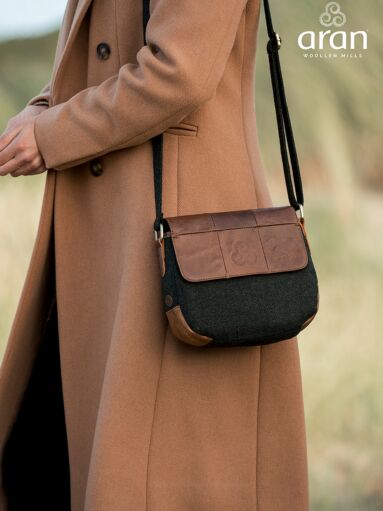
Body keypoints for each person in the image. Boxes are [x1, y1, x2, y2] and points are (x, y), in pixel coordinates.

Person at [0, 0, 310, 509]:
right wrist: (43, 109)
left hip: (184, 235)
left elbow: (179, 72)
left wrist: (54, 132)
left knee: (169, 471)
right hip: (118, 228)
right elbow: (103, 54)